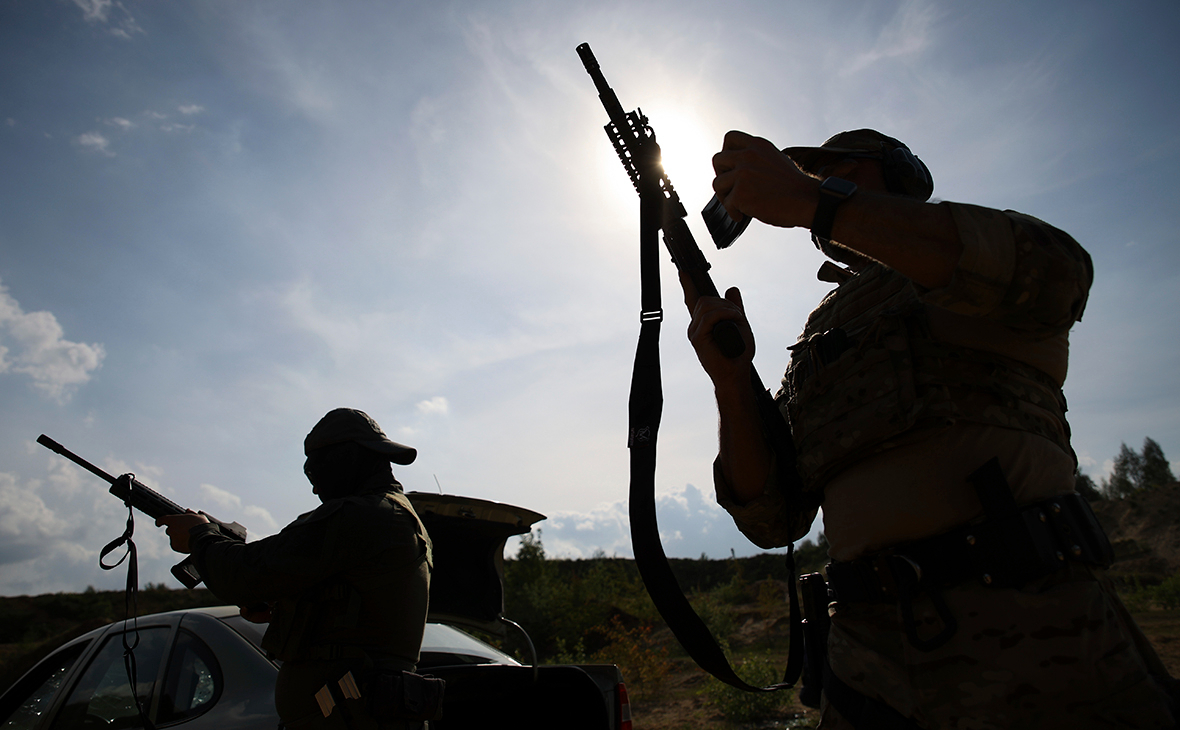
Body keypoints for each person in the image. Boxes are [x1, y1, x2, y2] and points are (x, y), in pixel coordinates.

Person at [683, 129, 1177, 728]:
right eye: (809, 175)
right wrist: (732, 383)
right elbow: (773, 517)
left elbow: (1058, 274)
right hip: (868, 665)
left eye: (836, 169)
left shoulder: (963, 256)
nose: (814, 180)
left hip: (1035, 638)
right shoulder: (818, 334)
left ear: (900, 174)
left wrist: (815, 201)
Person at [158, 408, 434, 729]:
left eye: (317, 475)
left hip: (352, 716)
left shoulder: (363, 515)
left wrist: (199, 537)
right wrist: (283, 607)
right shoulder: (385, 515)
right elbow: (352, 607)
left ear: (344, 460)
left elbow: (243, 575)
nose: (316, 490)